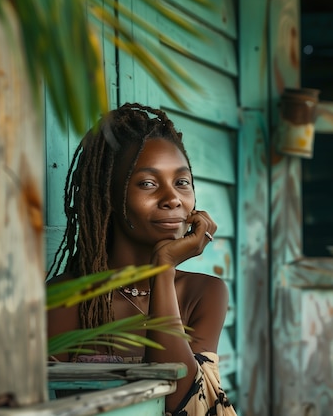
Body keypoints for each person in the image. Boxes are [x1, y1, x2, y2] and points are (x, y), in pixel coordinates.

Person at [46, 103, 237, 416]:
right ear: (109, 194)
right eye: (148, 183)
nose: (173, 198)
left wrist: (163, 269)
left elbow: (185, 402)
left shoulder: (202, 294)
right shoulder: (61, 302)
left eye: (182, 182)